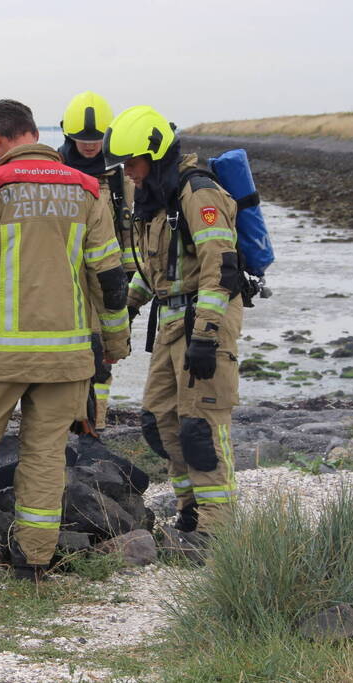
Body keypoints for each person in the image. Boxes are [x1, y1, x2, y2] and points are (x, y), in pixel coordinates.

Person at [0, 99, 131, 581]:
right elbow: (110, 277)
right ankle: (34, 565)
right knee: (45, 457)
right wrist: (115, 344)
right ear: (34, 132)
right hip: (68, 360)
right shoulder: (86, 189)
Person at [103, 105, 242, 547]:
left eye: (133, 163)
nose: (130, 173)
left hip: (205, 319)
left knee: (200, 425)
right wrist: (126, 307)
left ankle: (216, 531)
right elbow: (154, 268)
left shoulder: (197, 194)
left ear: (156, 153)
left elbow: (221, 267)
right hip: (173, 318)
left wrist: (206, 334)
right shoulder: (157, 198)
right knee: (159, 418)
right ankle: (188, 511)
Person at [59, 91, 137, 430]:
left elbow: (130, 232)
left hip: (107, 280)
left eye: (96, 139)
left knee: (103, 359)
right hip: (63, 282)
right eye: (82, 139)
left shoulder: (119, 178)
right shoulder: (55, 171)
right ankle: (66, 426)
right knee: (65, 358)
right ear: (67, 133)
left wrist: (130, 285)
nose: (89, 145)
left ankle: (96, 428)